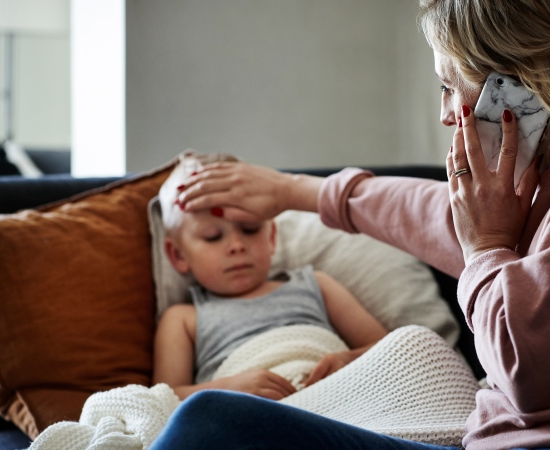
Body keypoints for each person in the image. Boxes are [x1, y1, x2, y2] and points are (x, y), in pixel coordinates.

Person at [150, 1, 550, 449]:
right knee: (206, 424)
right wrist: (293, 191)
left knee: (209, 428)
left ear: (518, 80)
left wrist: (489, 246)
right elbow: (426, 215)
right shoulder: (540, 188)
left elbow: (531, 368)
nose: (446, 114)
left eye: (450, 84)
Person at [153, 159, 388, 401]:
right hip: (249, 415)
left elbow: (391, 347)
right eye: (213, 237)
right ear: (178, 255)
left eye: (250, 229)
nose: (236, 246)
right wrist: (227, 389)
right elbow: (162, 399)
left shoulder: (316, 285)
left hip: (337, 400)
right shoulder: (183, 319)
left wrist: (347, 361)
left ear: (272, 237)